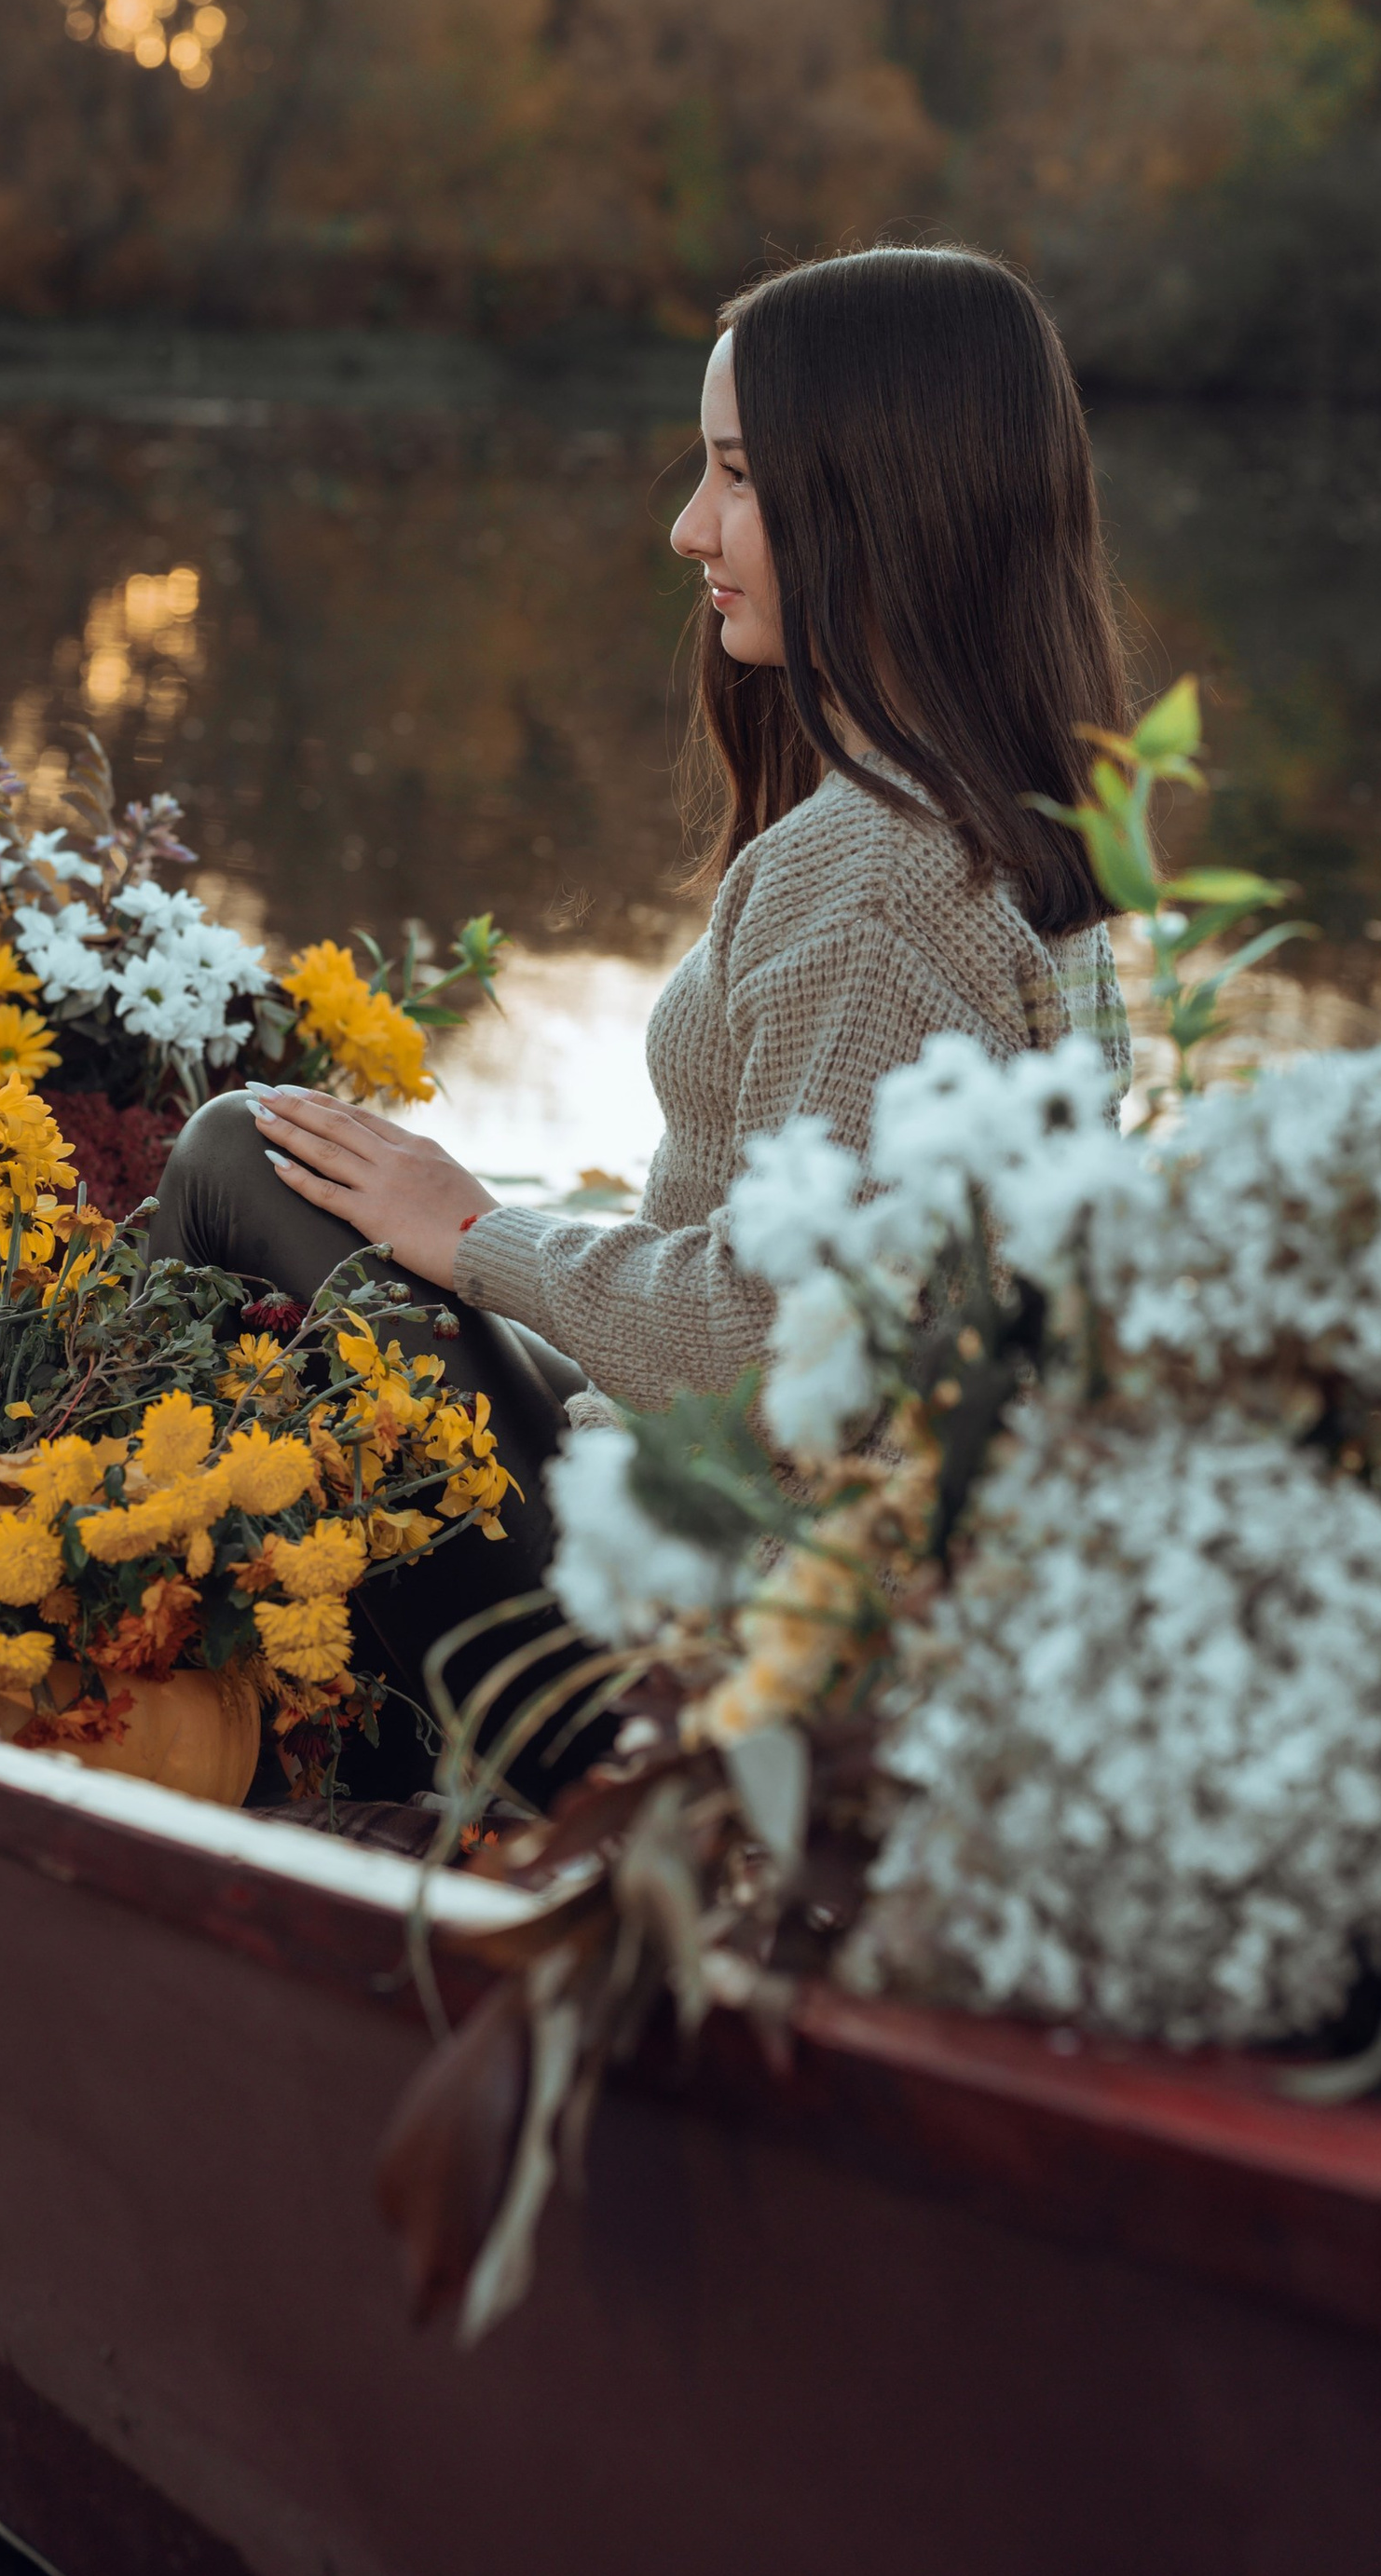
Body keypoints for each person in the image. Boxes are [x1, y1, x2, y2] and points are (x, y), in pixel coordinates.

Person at [150, 244, 1132, 1738]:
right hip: (805, 1560)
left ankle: (148, 1665)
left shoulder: (876, 866)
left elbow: (772, 1349)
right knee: (351, 1216)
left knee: (242, 1154)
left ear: (877, 500)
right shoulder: (1013, 822)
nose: (690, 528)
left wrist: (473, 1234)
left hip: (699, 1642)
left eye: (737, 476)